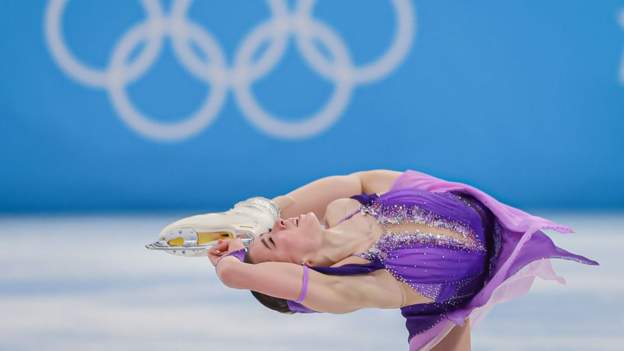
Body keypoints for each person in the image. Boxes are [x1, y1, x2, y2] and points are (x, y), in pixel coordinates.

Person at [207, 169, 600, 351]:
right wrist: (231, 262)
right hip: (457, 291)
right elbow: (234, 276)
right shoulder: (354, 282)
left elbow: (357, 180)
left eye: (271, 228)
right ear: (301, 267)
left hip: (494, 227)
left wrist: (264, 209)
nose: (277, 226)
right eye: (274, 240)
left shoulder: (350, 203)